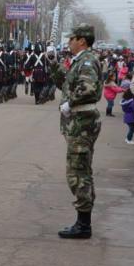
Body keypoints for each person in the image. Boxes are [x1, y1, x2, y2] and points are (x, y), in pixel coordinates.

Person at [49, 23, 102, 239]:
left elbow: (87, 89)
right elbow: (68, 83)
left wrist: (70, 103)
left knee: (77, 172)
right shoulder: (81, 61)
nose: (69, 42)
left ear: (82, 40)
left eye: (72, 38)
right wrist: (53, 64)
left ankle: (83, 225)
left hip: (82, 122)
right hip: (78, 121)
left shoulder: (87, 60)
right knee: (81, 170)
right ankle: (83, 221)